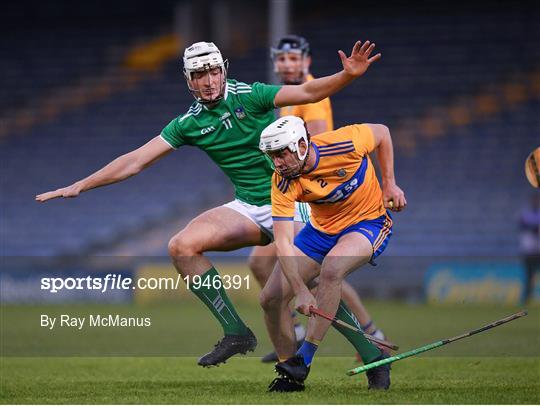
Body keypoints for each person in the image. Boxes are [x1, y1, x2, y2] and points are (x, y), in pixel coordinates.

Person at [36, 39, 381, 368]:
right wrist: (82, 184)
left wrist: (347, 75)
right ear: (188, 80)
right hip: (247, 206)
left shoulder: (252, 94)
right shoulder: (188, 123)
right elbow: (136, 160)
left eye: (213, 71)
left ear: (224, 70)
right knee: (182, 246)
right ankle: (236, 333)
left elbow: (307, 91)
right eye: (199, 74)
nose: (208, 80)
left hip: (291, 203)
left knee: (311, 283)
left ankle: (370, 352)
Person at [252, 35, 387, 363]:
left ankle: (367, 336)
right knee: (265, 264)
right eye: (281, 60)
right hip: (302, 185)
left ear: (307, 62)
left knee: (324, 272)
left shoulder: (309, 96)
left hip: (311, 187)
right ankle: (316, 331)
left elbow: (316, 144)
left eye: (294, 59)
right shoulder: (288, 97)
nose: (287, 65)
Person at [258, 116, 406, 391]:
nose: (276, 163)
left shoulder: (345, 143)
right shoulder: (282, 181)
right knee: (270, 298)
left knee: (332, 270)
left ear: (302, 145)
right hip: (320, 231)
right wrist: (299, 288)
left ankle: (303, 360)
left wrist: (389, 184)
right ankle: (371, 357)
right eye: (271, 156)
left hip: (368, 223)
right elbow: (283, 242)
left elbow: (383, 132)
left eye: (281, 154)